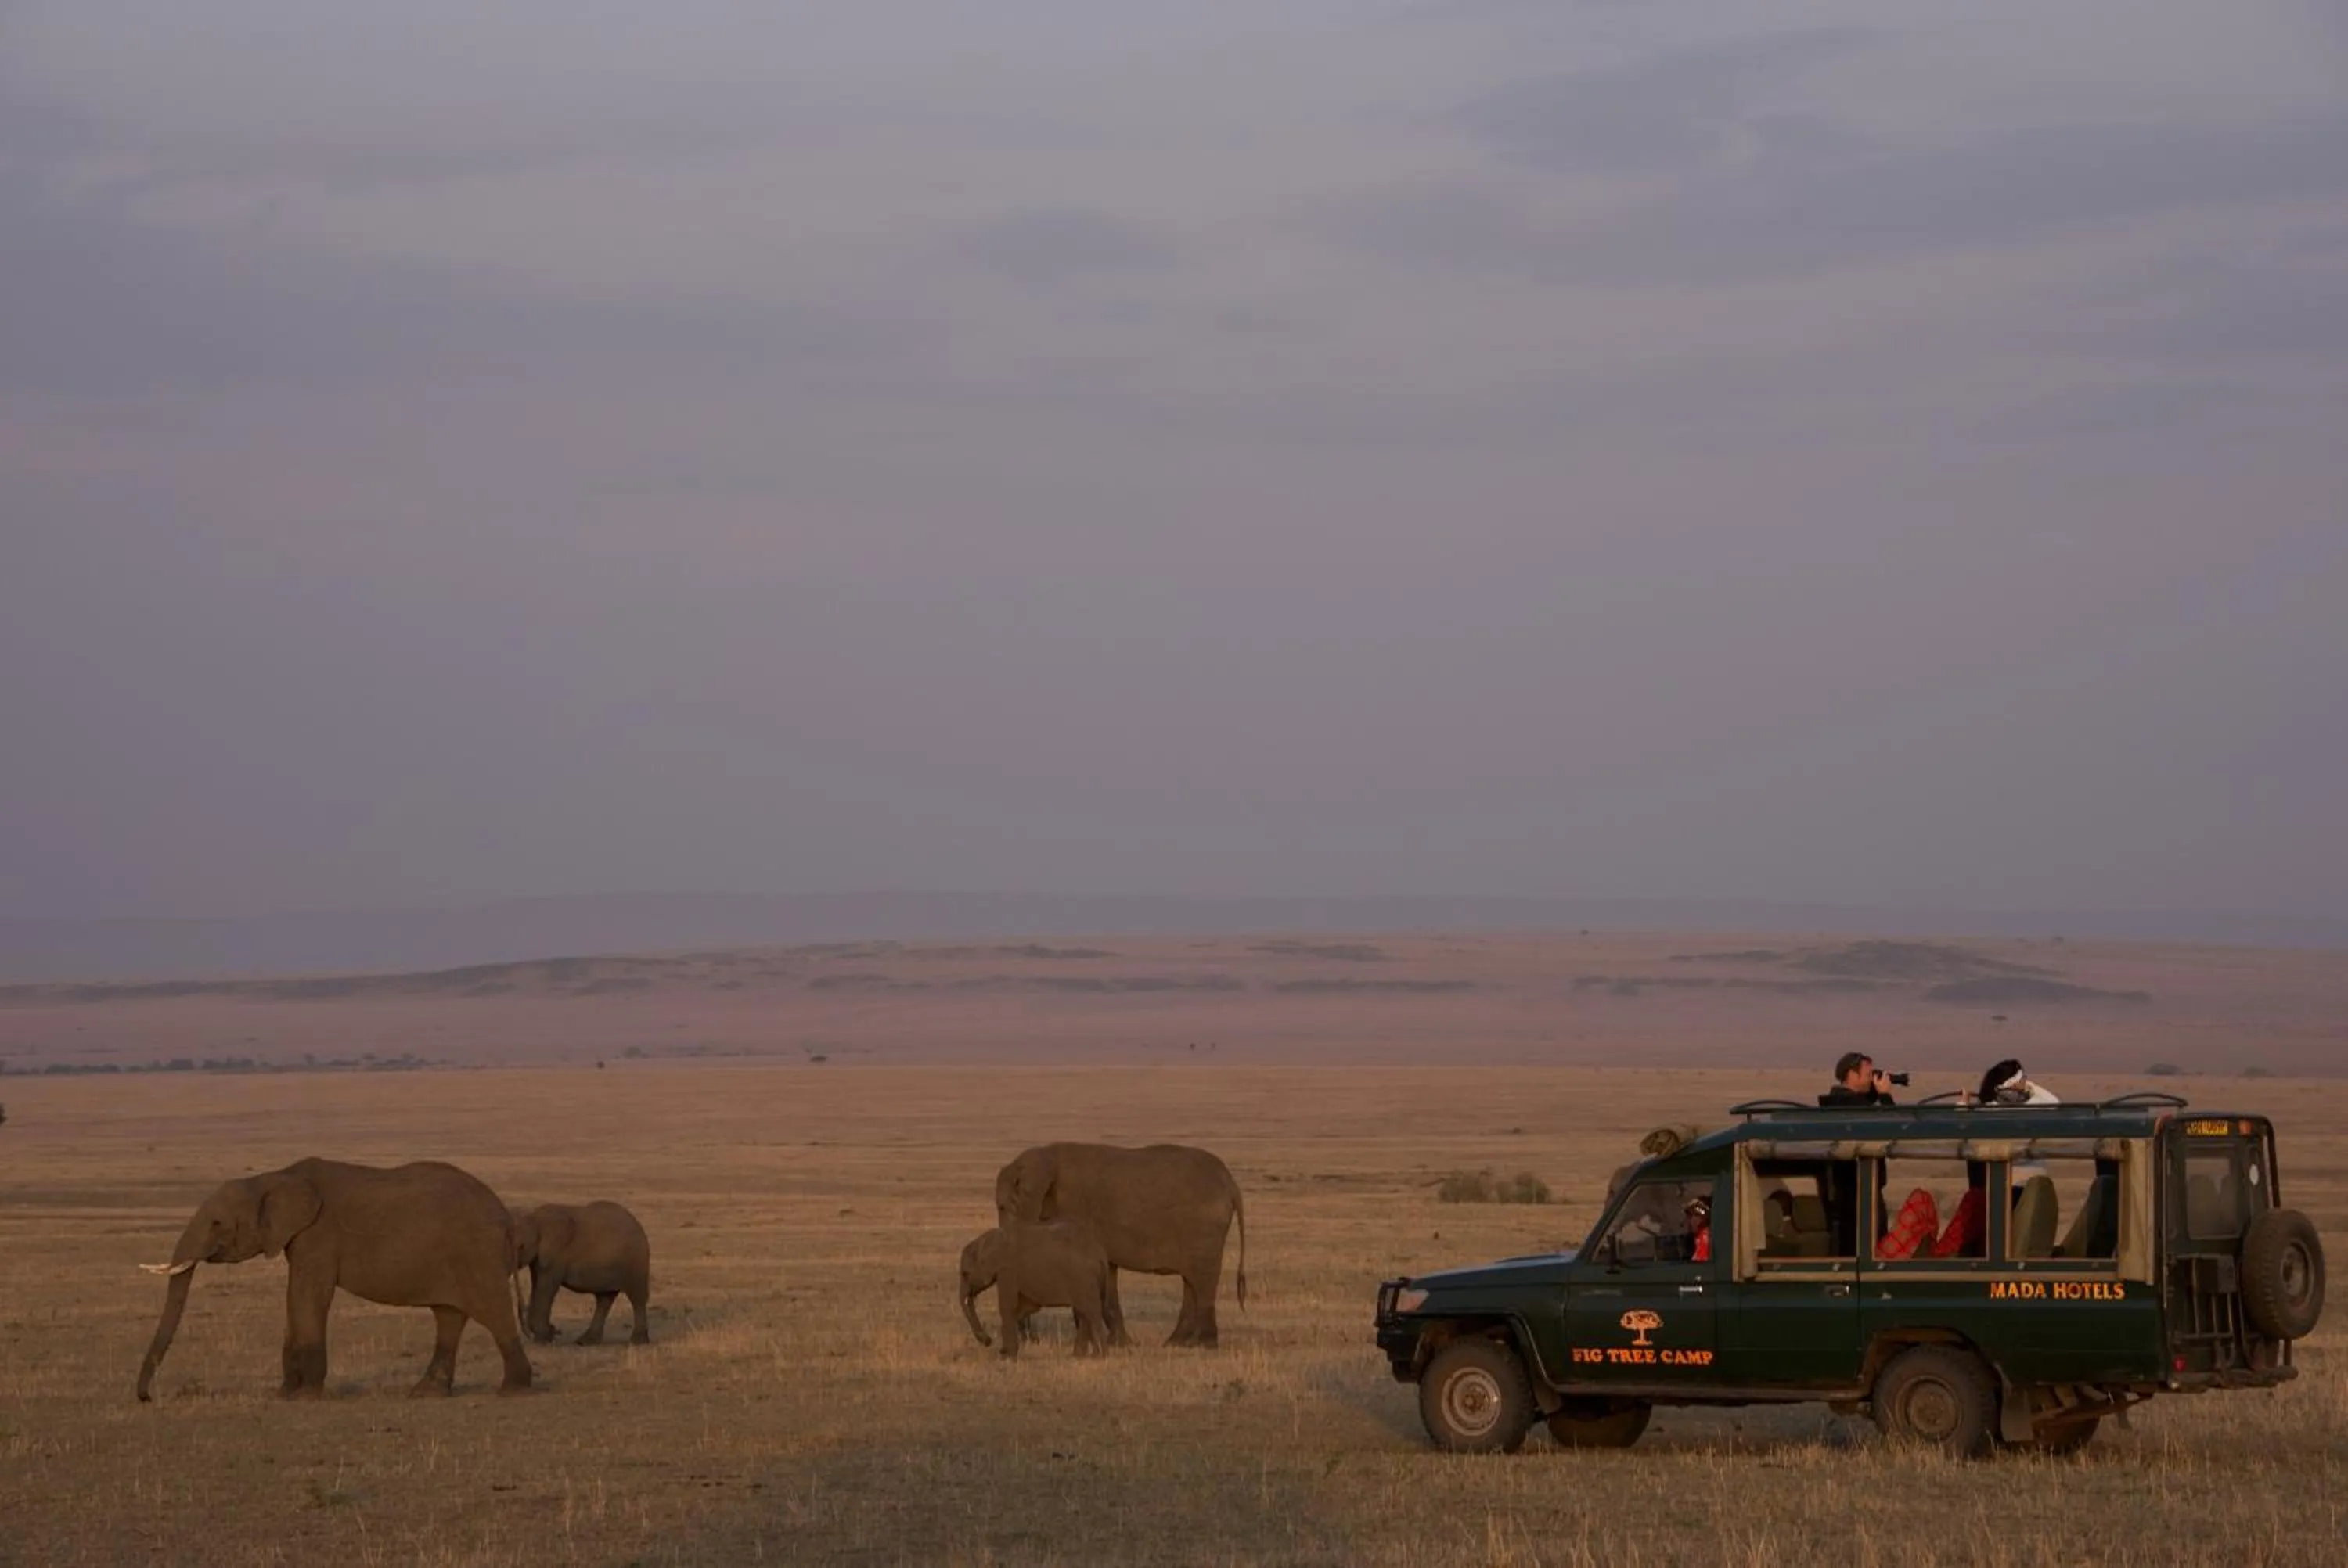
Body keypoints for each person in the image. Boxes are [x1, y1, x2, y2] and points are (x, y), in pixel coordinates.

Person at [1821, 1052, 1897, 1107]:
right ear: (1852, 1075)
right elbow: (1892, 1123)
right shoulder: (1853, 1105)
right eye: (1868, 1075)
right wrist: (1885, 1095)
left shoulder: (1835, 1100)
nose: (1871, 1079)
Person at [1684, 1195, 1713, 1263]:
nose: (1689, 1221)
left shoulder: (1705, 1238)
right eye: (1689, 1216)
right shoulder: (1694, 1240)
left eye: (1696, 1215)